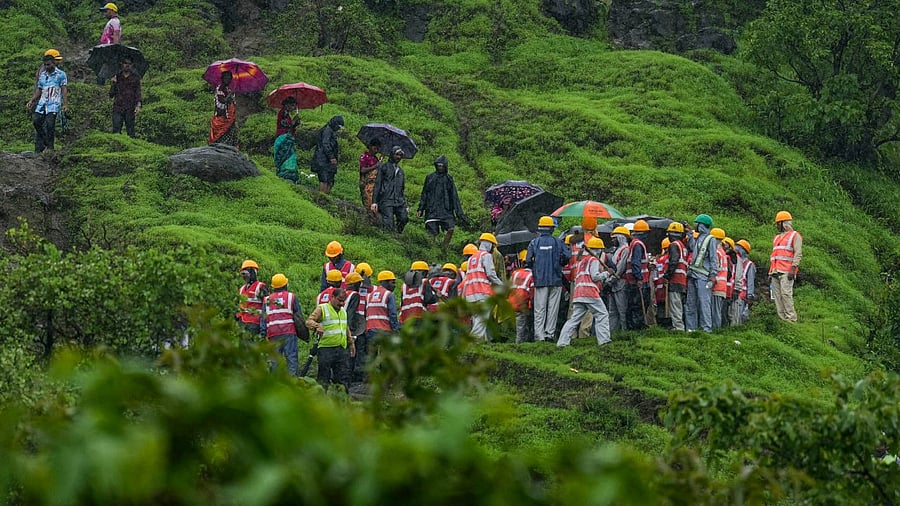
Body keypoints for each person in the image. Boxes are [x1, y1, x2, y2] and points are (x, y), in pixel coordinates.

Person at [557, 237, 612, 348]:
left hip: (578, 293)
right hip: (590, 292)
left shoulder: (582, 261)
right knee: (602, 314)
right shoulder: (594, 260)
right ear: (598, 249)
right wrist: (607, 273)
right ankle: (604, 341)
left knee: (574, 319)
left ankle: (562, 343)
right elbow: (595, 277)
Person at [526, 216, 570, 342]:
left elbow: (528, 260)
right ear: (552, 229)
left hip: (540, 280)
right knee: (552, 309)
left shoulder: (534, 243)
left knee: (539, 309)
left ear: (539, 228)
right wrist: (560, 263)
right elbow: (567, 255)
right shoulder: (558, 242)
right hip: (555, 280)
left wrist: (536, 266)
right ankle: (549, 334)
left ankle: (539, 336)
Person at [306, 288, 356, 393]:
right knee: (323, 378)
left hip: (341, 349)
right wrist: (317, 326)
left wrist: (351, 343)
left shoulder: (343, 311)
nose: (341, 303)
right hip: (326, 350)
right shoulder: (322, 308)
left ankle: (342, 402)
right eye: (339, 300)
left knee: (343, 379)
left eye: (343, 301)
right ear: (332, 297)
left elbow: (345, 327)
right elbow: (309, 321)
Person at [417, 155, 467, 250]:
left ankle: (444, 247)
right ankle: (433, 251)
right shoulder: (430, 177)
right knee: (432, 233)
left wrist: (459, 213)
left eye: (442, 166)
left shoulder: (449, 179)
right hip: (432, 209)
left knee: (450, 228)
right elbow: (424, 194)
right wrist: (421, 208)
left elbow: (454, 196)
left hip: (445, 209)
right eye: (438, 165)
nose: (440, 168)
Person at [461, 233, 503, 340]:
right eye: (493, 246)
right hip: (483, 293)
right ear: (489, 244)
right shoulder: (486, 256)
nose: (493, 249)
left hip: (470, 294)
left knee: (476, 318)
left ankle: (482, 343)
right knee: (482, 319)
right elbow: (491, 274)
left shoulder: (471, 259)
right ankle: (472, 341)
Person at [260, 273, 302, 376]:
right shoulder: (291, 297)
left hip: (273, 333)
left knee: (275, 360)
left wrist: (263, 333)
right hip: (289, 332)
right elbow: (299, 317)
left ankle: (276, 386)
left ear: (273, 287)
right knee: (291, 358)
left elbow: (263, 318)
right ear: (285, 285)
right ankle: (293, 384)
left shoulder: (267, 300)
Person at [26, 49, 68, 153]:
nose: (47, 66)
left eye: (49, 64)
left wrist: (65, 104)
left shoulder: (61, 74)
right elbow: (39, 89)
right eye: (45, 65)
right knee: (36, 121)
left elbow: (64, 89)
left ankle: (50, 147)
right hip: (42, 103)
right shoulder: (43, 74)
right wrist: (32, 100)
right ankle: (45, 143)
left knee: (50, 124)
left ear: (53, 63)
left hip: (53, 103)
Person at [686, 214, 718, 333]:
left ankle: (706, 329)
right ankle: (691, 329)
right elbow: (693, 248)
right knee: (690, 303)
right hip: (693, 275)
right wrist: (689, 234)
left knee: (704, 303)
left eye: (697, 223)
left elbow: (714, 258)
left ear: (702, 225)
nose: (695, 225)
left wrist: (713, 275)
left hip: (703, 277)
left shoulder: (711, 239)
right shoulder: (698, 238)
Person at [769, 210, 802, 322]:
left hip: (787, 271)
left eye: (778, 223)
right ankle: (782, 319)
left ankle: (791, 319)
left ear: (784, 223)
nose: (777, 226)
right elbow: (774, 255)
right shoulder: (776, 238)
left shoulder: (795, 236)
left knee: (786, 294)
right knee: (777, 296)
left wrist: (793, 268)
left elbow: (798, 253)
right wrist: (771, 271)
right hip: (775, 271)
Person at [371, 146, 408, 233]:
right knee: (388, 221)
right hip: (386, 199)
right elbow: (378, 184)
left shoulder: (401, 172)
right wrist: (374, 202)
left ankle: (398, 234)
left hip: (399, 200)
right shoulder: (384, 167)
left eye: (400, 155)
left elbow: (402, 189)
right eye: (397, 154)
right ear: (392, 154)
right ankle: (389, 238)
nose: (398, 157)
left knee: (404, 218)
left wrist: (405, 205)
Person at [625, 219, 653, 330]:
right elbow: (635, 262)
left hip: (634, 280)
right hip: (639, 281)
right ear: (643, 234)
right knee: (638, 306)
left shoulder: (633, 244)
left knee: (634, 306)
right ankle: (637, 328)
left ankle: (634, 327)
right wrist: (639, 278)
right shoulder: (638, 244)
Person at [663, 222, 689, 331]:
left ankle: (678, 327)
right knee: (678, 304)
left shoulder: (674, 245)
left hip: (675, 278)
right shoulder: (683, 246)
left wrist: (667, 276)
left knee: (675, 304)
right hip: (682, 280)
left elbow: (673, 261)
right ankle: (679, 326)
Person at [606, 226, 631, 332]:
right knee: (612, 310)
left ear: (620, 237)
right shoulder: (617, 250)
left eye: (614, 238)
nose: (612, 240)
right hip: (613, 283)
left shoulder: (625, 249)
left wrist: (611, 280)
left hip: (621, 283)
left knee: (622, 309)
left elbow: (620, 268)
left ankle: (624, 331)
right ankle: (612, 332)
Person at [108, 57, 141, 138]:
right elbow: (111, 94)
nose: (127, 65)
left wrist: (138, 105)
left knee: (131, 131)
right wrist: (113, 83)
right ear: (122, 64)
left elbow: (138, 92)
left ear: (132, 65)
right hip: (118, 107)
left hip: (130, 107)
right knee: (116, 129)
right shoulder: (117, 76)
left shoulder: (135, 78)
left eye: (129, 64)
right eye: (125, 63)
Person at [311, 115, 344, 194]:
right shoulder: (327, 131)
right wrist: (331, 157)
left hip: (327, 161)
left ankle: (326, 196)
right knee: (324, 179)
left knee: (330, 180)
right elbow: (325, 144)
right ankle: (322, 197)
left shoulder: (331, 131)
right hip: (323, 160)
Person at [344, 272, 367, 382]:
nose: (360, 286)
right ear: (354, 284)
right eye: (359, 283)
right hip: (348, 327)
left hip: (340, 325)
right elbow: (350, 313)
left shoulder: (344, 293)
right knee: (353, 352)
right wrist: (352, 330)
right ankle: (353, 377)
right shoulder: (355, 295)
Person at [236, 260, 268, 337]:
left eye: (245, 273)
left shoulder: (260, 287)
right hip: (242, 322)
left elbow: (268, 304)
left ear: (253, 272)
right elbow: (238, 306)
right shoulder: (241, 289)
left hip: (254, 323)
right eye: (242, 274)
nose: (244, 276)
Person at [509, 250, 535, 343]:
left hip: (513, 303)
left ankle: (522, 342)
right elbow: (532, 293)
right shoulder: (532, 275)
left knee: (520, 325)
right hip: (523, 304)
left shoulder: (515, 273)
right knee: (522, 327)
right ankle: (519, 345)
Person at [274, 97, 301, 182]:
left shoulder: (286, 114)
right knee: (286, 156)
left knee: (288, 156)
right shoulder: (283, 113)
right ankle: (286, 174)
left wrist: (295, 124)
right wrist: (294, 123)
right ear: (287, 105)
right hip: (283, 138)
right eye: (292, 105)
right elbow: (285, 125)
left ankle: (288, 174)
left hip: (285, 138)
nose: (294, 108)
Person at [209, 71, 237, 146]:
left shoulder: (228, 89)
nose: (228, 79)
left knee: (230, 138)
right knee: (219, 138)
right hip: (221, 117)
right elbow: (223, 101)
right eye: (226, 78)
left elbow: (232, 102)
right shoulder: (219, 88)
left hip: (229, 118)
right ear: (222, 79)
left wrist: (232, 95)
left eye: (229, 78)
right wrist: (230, 94)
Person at [709, 227, 728, 329]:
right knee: (717, 310)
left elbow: (714, 268)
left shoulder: (716, 252)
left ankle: (715, 329)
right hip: (722, 286)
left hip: (716, 286)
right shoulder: (722, 252)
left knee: (715, 311)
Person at [734, 239, 756, 324]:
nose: (736, 249)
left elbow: (750, 282)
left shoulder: (749, 265)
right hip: (733, 292)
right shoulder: (735, 261)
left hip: (742, 295)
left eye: (738, 247)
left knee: (738, 317)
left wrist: (750, 296)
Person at [359, 138, 382, 209]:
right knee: (368, 203)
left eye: (378, 148)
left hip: (374, 184)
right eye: (374, 147)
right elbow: (362, 170)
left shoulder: (376, 158)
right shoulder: (364, 156)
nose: (376, 149)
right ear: (370, 146)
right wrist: (375, 166)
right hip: (366, 183)